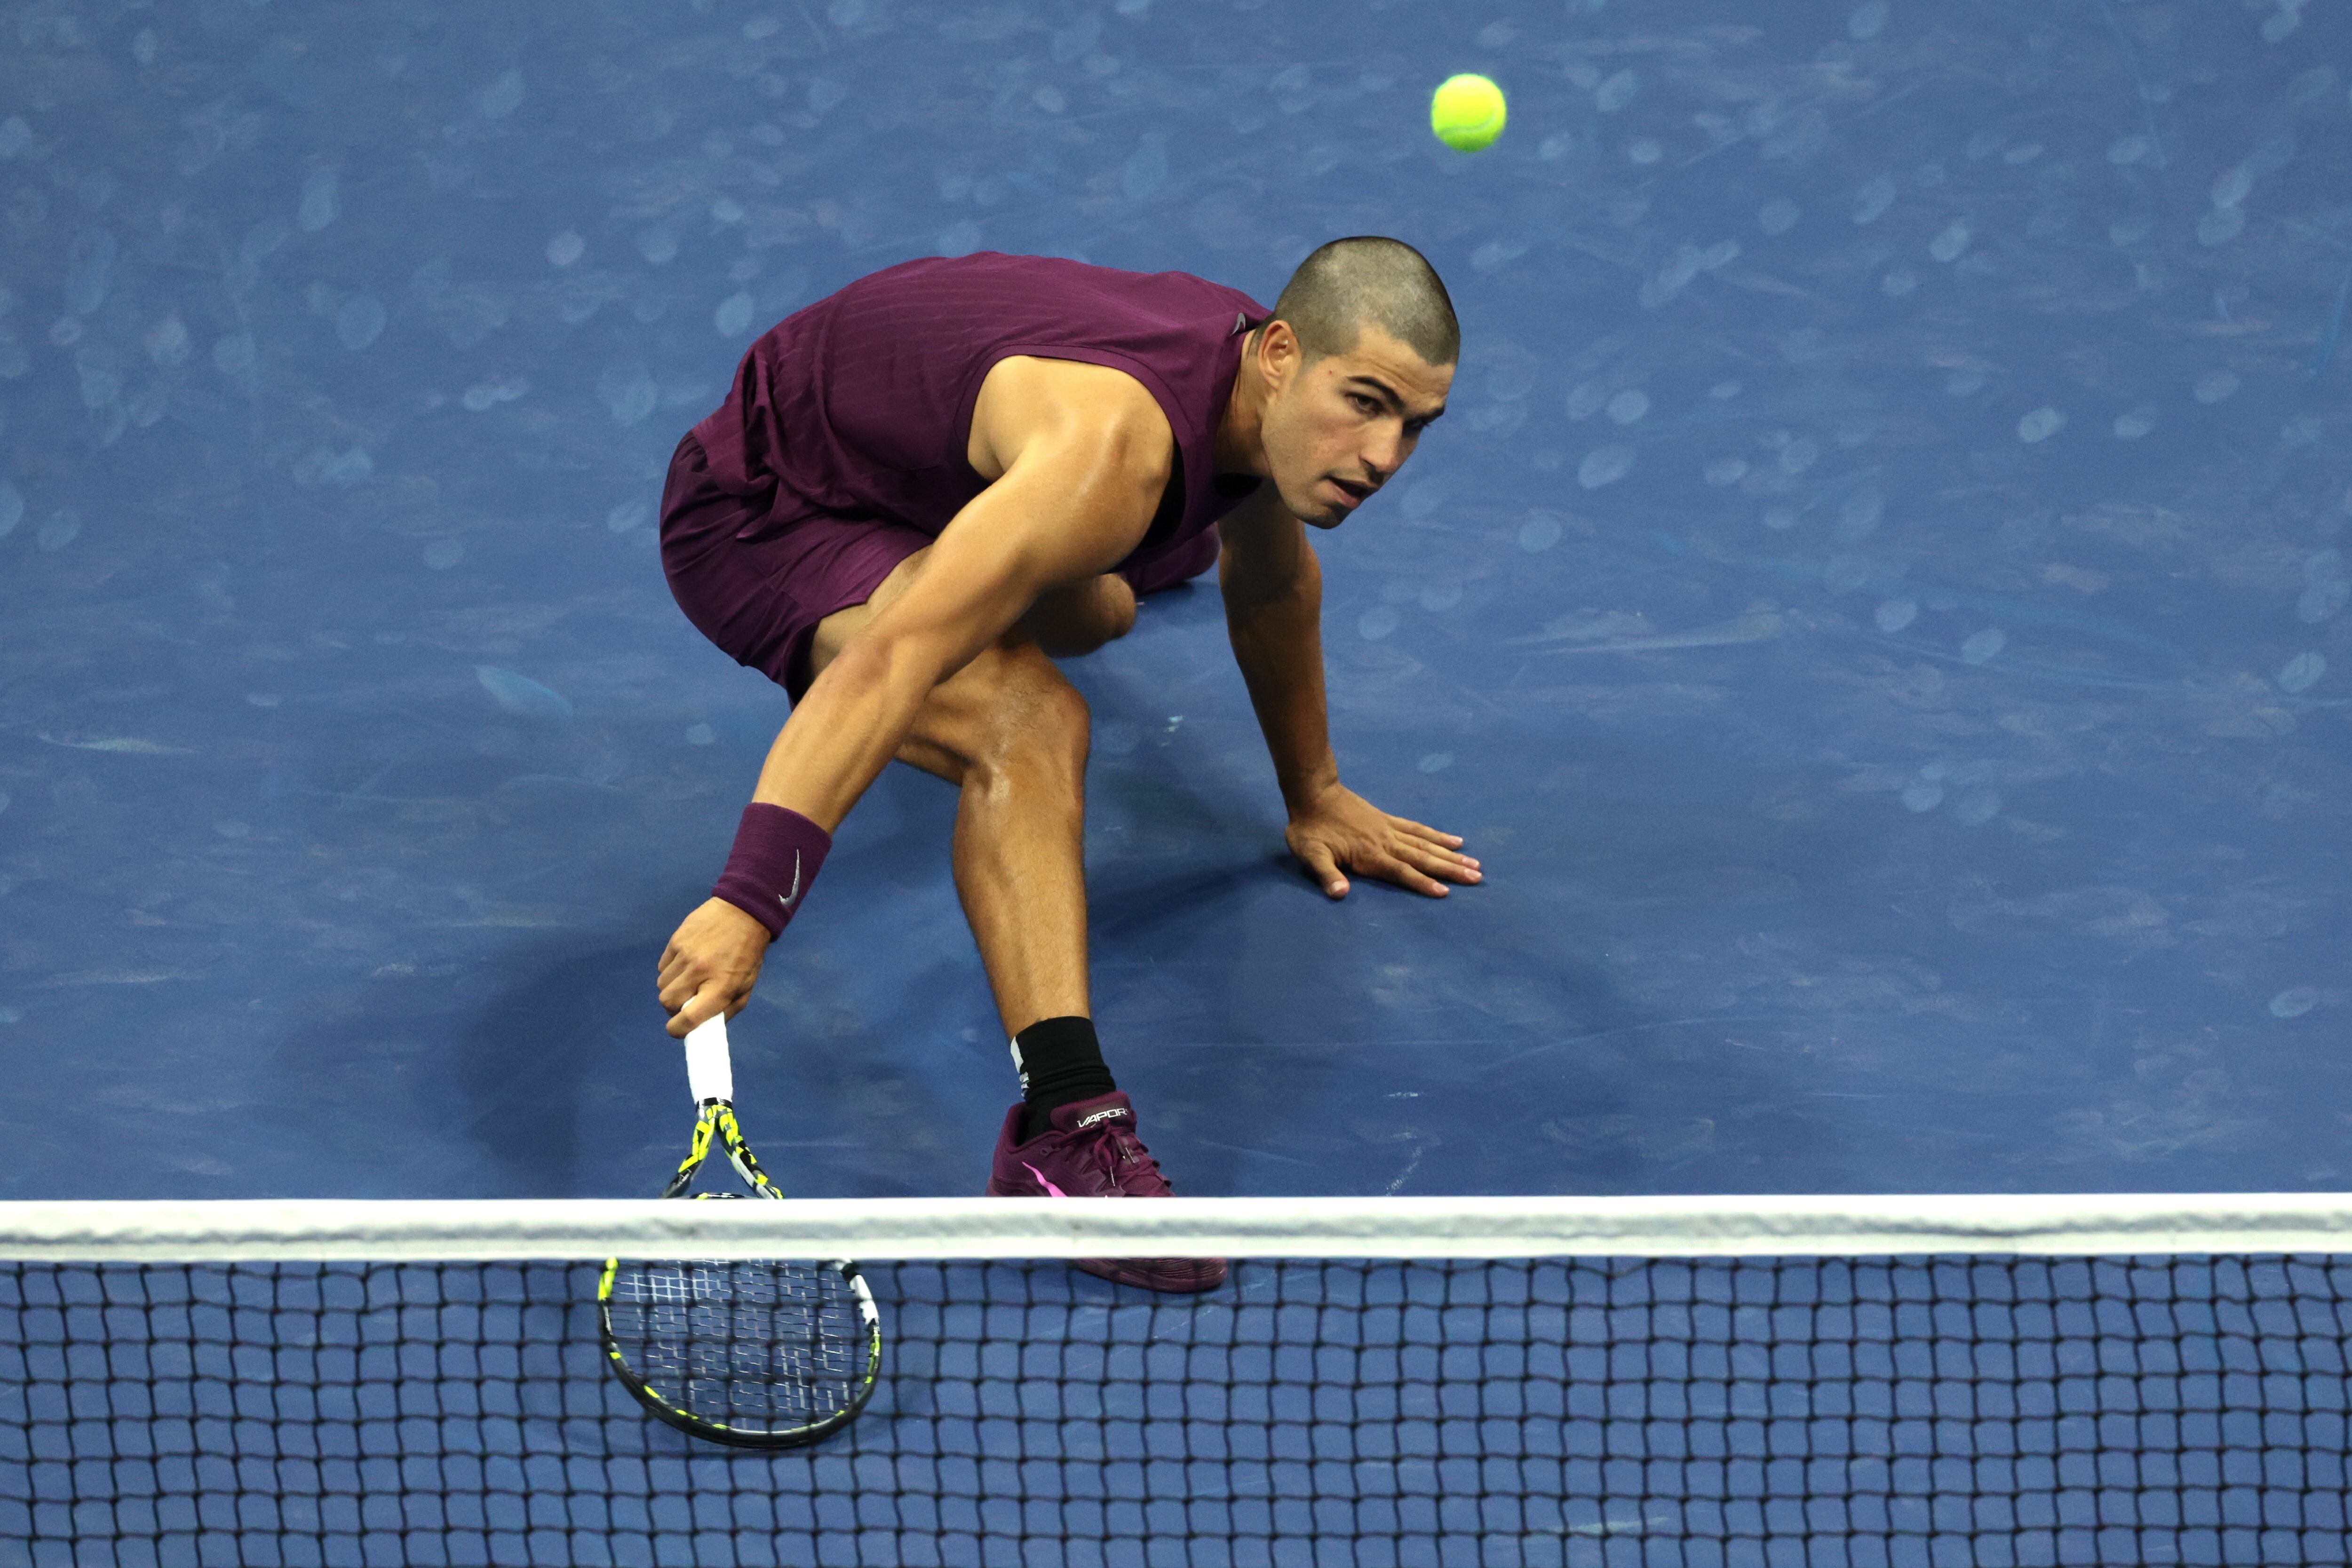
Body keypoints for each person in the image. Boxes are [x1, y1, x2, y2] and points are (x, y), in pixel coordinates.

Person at [654, 238, 1479, 1290]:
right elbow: (891, 658)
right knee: (1030, 718)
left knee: (1102, 603)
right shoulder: (1108, 455)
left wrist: (1312, 794)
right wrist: (749, 899)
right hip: (764, 510)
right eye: (1363, 403)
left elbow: (1271, 584)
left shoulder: (1260, 401)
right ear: (1278, 352)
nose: (1381, 455)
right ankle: (1063, 1129)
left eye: (1415, 425)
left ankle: (1020, 547)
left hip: (914, 467)